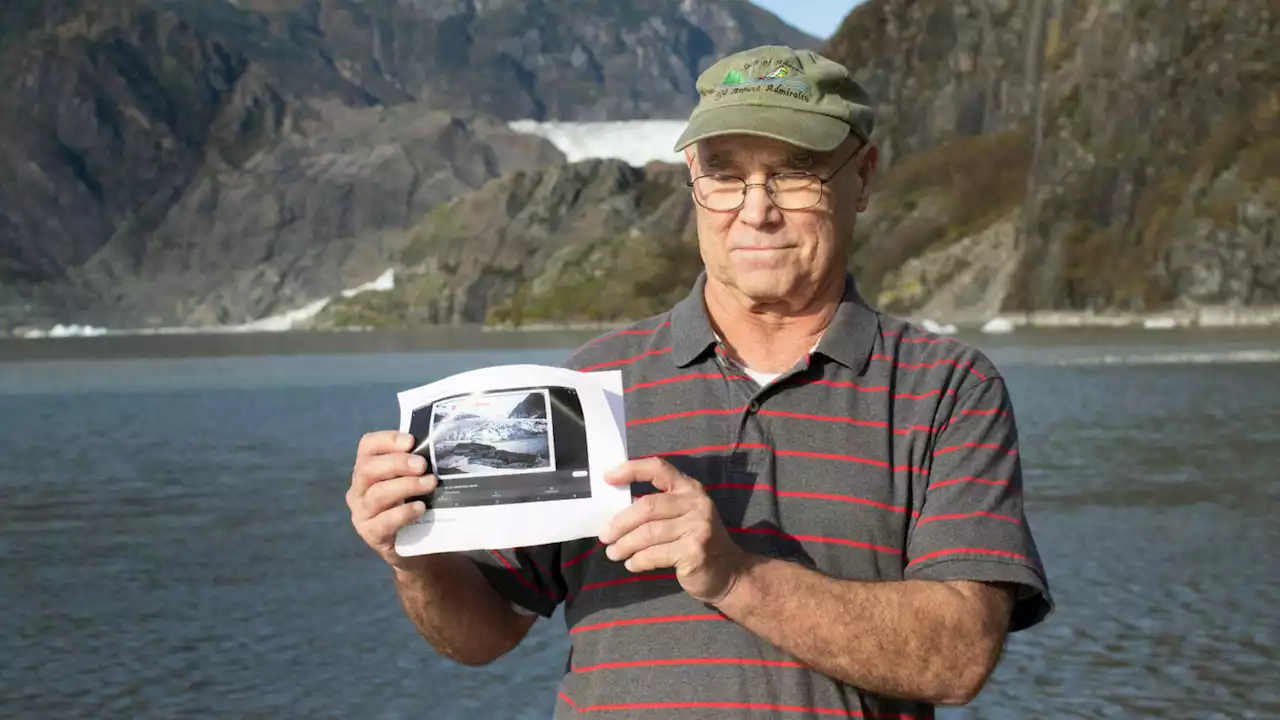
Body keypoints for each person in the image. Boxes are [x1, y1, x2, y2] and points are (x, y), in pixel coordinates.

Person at [346, 45, 1053, 718]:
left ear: (862, 177)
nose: (756, 209)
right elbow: (484, 633)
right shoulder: (591, 383)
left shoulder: (948, 390)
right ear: (692, 174)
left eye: (796, 171)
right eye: (724, 175)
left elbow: (958, 657)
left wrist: (735, 575)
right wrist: (413, 557)